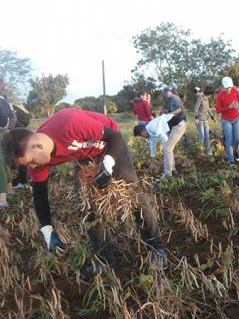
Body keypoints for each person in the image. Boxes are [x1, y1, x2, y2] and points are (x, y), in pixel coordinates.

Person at [1, 108, 167, 275]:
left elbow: (114, 137)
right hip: (85, 156)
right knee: (87, 206)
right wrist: (47, 230)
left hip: (110, 145)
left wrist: (107, 164)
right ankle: (104, 261)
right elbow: (40, 195)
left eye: (30, 162)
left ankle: (157, 250)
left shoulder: (70, 123)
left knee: (133, 196)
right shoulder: (37, 162)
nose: (32, 167)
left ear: (37, 145)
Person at [134, 111, 186, 180]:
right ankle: (172, 170)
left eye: (141, 136)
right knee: (168, 149)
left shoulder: (152, 127)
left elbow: (164, 138)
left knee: (167, 149)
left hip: (179, 125)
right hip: (175, 126)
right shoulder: (149, 134)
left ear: (142, 132)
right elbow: (153, 147)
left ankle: (168, 175)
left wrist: (166, 149)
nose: (143, 138)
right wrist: (152, 162)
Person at [216, 77, 239, 164]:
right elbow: (218, 110)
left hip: (236, 119)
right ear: (222, 87)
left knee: (238, 138)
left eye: (230, 87)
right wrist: (228, 107)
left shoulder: (234, 91)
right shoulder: (220, 96)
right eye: (226, 88)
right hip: (226, 120)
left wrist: (238, 104)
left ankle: (235, 151)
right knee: (229, 140)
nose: (228, 89)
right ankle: (230, 161)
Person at [194, 86, 215, 155]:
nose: (211, 96)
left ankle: (208, 151)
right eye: (210, 94)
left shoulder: (207, 99)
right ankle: (201, 152)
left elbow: (208, 108)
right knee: (202, 136)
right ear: (208, 94)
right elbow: (196, 109)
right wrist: (196, 118)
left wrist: (212, 117)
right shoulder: (200, 98)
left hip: (205, 120)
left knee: (207, 136)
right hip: (199, 121)